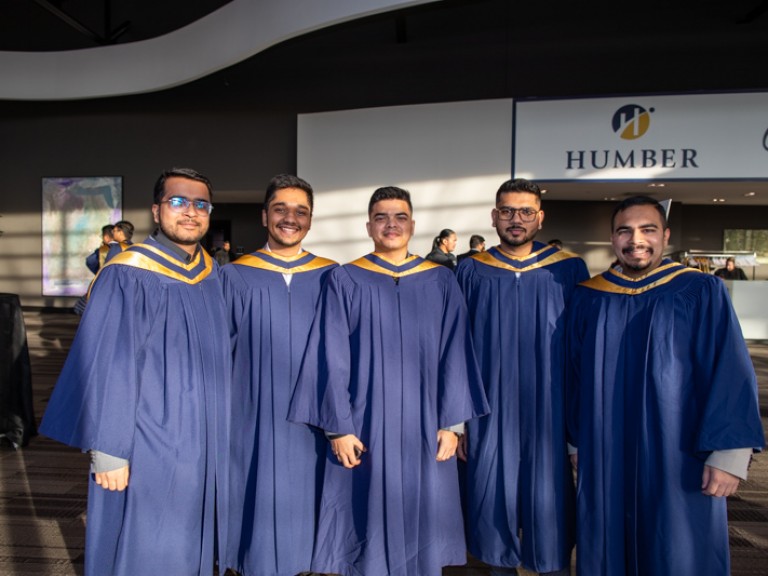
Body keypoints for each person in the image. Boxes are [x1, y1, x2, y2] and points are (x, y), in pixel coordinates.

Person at [288, 186, 489, 576]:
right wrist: (337, 429)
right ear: (368, 226)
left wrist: (452, 425)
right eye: (381, 217)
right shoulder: (345, 279)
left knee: (423, 525)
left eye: (399, 217)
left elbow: (456, 353)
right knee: (363, 529)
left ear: (412, 225)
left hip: (425, 423)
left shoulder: (441, 281)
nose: (391, 225)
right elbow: (331, 356)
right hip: (365, 423)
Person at [40, 168, 230, 576]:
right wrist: (108, 449)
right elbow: (107, 362)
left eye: (201, 204)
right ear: (156, 210)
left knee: (195, 536)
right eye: (178, 201)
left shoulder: (213, 273)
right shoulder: (127, 272)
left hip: (207, 436)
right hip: (150, 437)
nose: (191, 212)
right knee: (147, 540)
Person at [565, 195, 764, 576]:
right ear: (612, 238)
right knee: (609, 540)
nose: (635, 239)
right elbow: (574, 374)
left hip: (679, 449)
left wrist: (728, 454)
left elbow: (731, 370)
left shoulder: (700, 291)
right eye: (625, 230)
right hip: (606, 450)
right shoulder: (589, 296)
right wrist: (576, 440)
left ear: (666, 235)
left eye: (647, 230)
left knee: (677, 547)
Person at [456, 178, 588, 575]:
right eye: (508, 211)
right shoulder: (471, 270)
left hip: (551, 409)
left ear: (540, 218)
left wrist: (578, 427)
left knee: (551, 504)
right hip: (488, 410)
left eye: (526, 211)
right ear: (495, 216)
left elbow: (583, 348)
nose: (517, 219)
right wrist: (457, 420)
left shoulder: (568, 269)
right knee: (491, 499)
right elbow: (455, 347)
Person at [220, 175, 338, 576]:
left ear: (310, 220)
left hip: (316, 414)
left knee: (314, 495)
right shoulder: (235, 276)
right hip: (251, 410)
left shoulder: (332, 276)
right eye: (281, 209)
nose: (291, 218)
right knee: (253, 488)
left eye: (301, 211)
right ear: (265, 216)